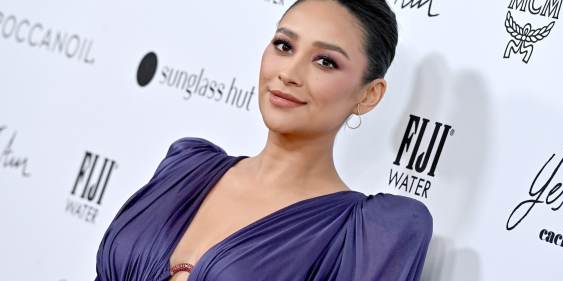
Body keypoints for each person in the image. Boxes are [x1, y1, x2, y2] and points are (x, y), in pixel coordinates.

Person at [94, 0, 433, 280]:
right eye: (284, 46)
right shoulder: (185, 167)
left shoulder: (366, 235)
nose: (288, 73)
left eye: (325, 62)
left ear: (370, 95)